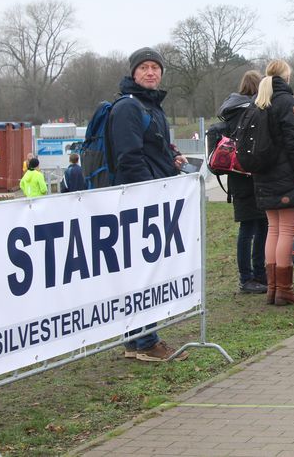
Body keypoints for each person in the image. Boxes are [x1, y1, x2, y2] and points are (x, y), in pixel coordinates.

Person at [109, 46, 188, 362]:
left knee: (141, 272)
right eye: (144, 68)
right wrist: (148, 194)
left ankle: (134, 341)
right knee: (145, 273)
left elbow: (152, 147)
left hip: (153, 196)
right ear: (133, 73)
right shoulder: (129, 108)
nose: (151, 72)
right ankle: (146, 343)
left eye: (156, 67)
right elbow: (129, 158)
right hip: (139, 202)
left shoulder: (151, 107)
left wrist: (172, 158)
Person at [251, 59, 294, 306]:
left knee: (273, 229)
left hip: (263, 175)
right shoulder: (286, 102)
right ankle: (284, 289)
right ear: (286, 77)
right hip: (286, 174)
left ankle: (272, 288)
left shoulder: (259, 103)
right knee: (287, 230)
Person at [218, 70, 269, 294]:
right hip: (254, 175)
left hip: (237, 178)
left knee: (250, 227)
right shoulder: (253, 112)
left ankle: (250, 276)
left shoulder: (229, 114)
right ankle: (253, 275)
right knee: (258, 227)